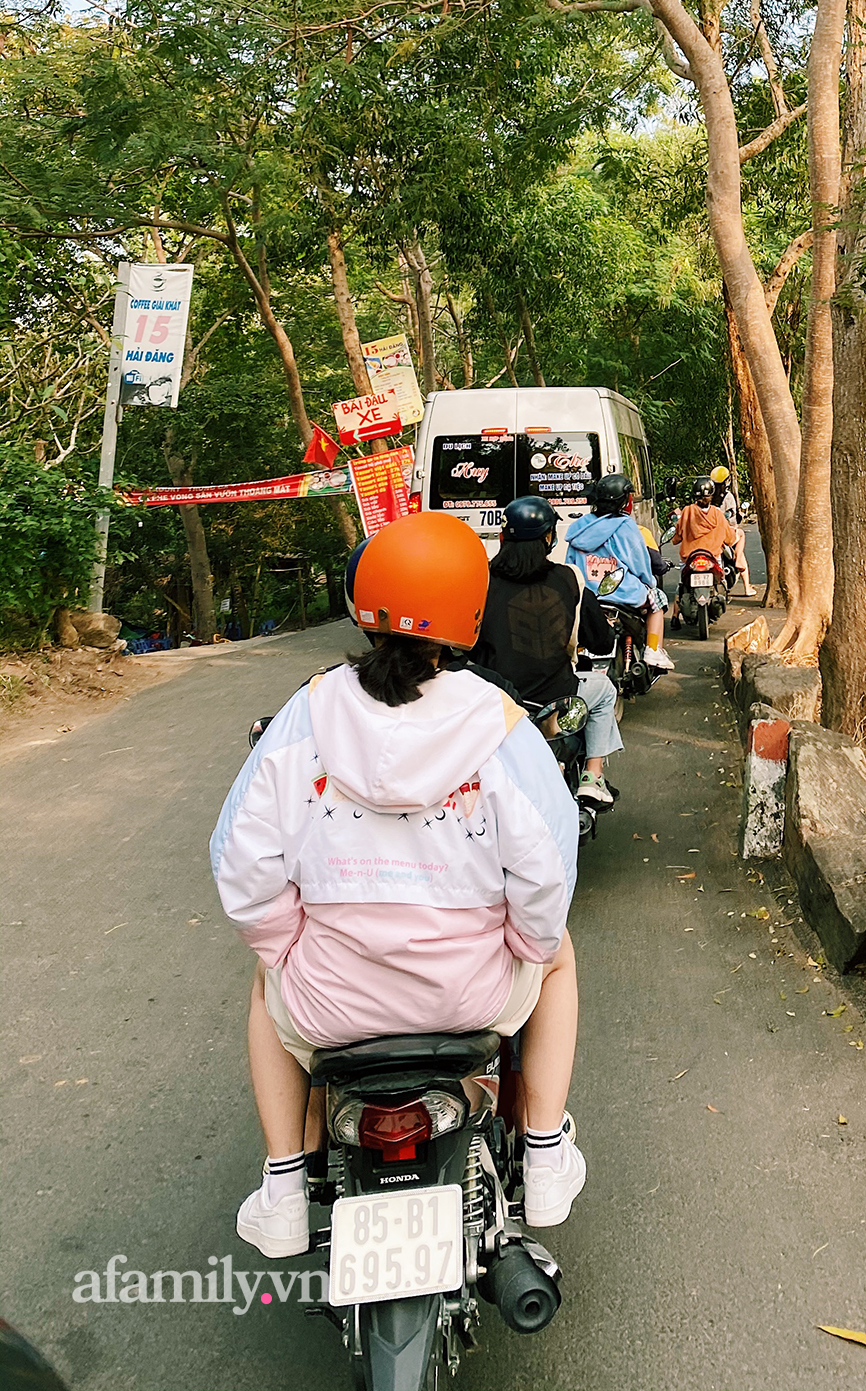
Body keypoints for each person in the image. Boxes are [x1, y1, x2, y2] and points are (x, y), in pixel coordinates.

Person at [211, 512, 584, 1259]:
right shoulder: (499, 724)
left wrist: (285, 946)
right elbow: (546, 868)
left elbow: (240, 863)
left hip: (329, 1002)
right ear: (470, 618)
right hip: (469, 997)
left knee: (263, 979)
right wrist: (525, 945)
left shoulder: (306, 712)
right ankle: (543, 1155)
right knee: (559, 956)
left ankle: (285, 1188)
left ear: (361, 603)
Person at [472, 493, 623, 812]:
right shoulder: (570, 578)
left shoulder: (480, 580)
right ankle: (593, 777)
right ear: (549, 538)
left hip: (496, 703)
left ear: (502, 537)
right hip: (556, 701)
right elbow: (600, 642)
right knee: (604, 689)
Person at [564, 473, 674, 669]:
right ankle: (653, 650)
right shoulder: (625, 526)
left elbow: (570, 566)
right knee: (658, 600)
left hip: (587, 597)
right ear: (624, 501)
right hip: (625, 594)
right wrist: (650, 583)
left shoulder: (579, 528)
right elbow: (639, 564)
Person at [672, 477, 736, 575]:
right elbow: (729, 538)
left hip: (689, 555)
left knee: (683, 577)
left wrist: (676, 538)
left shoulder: (687, 511)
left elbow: (678, 535)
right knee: (721, 575)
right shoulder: (717, 514)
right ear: (711, 495)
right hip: (713, 555)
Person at [708, 464, 749, 594]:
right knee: (741, 538)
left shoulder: (707, 496)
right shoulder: (728, 496)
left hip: (708, 534)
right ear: (726, 481)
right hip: (725, 533)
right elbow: (732, 519)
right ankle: (747, 587)